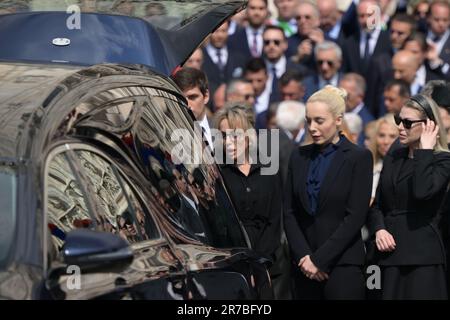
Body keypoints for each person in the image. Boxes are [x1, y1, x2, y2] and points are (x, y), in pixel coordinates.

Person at [284, 85, 373, 300]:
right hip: (303, 267)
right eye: (308, 120)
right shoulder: (298, 156)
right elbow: (289, 212)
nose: (312, 127)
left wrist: (319, 260)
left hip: (343, 265)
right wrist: (305, 257)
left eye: (319, 121)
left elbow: (355, 217)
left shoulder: (358, 157)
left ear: (338, 120)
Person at [367, 94, 450, 300]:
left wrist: (425, 151)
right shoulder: (394, 157)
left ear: (429, 125)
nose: (400, 127)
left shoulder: (443, 160)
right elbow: (378, 205)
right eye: (399, 120)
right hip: (388, 254)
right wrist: (379, 229)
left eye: (407, 123)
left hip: (422, 257)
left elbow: (422, 193)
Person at [215, 104, 284, 298]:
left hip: (267, 262)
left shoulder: (268, 170)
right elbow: (219, 224)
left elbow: (274, 220)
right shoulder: (218, 173)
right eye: (223, 136)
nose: (228, 142)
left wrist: (260, 264)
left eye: (234, 136)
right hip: (231, 264)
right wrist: (241, 266)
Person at [368, 114, 399, 203]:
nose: (386, 141)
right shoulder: (366, 165)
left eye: (392, 136)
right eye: (381, 135)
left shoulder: (404, 168)